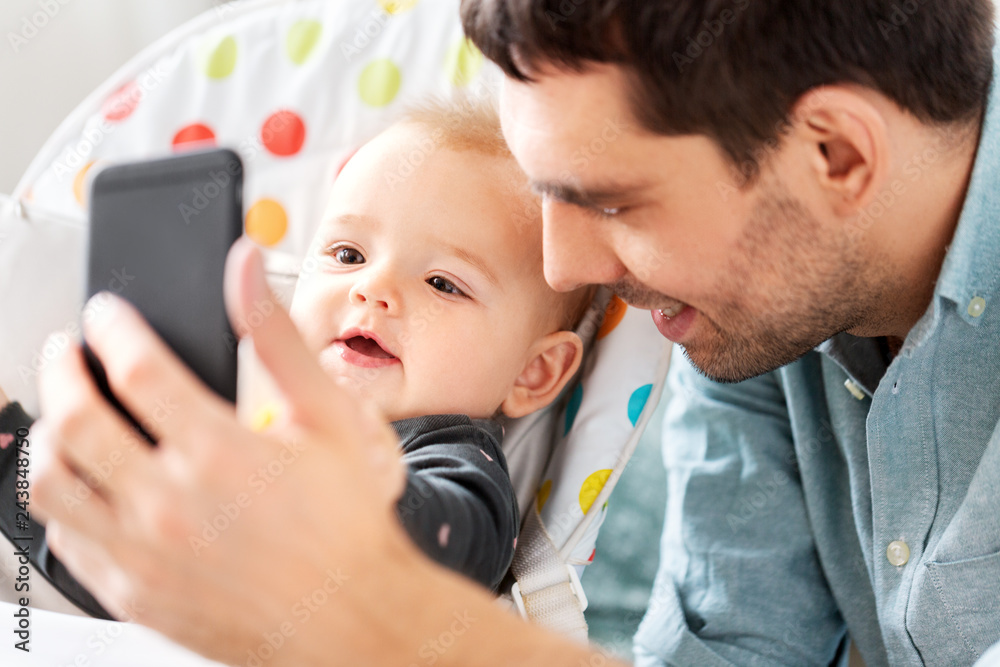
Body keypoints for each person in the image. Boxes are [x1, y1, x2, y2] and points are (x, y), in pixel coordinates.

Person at [15, 0, 1000, 665]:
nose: (568, 269)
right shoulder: (754, 322)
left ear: (834, 153)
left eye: (608, 202)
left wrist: (364, 602)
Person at [0, 98, 591, 615]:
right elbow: (107, 561)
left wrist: (316, 497)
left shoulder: (455, 462)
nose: (372, 289)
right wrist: (13, 453)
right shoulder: (240, 397)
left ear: (533, 372)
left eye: (443, 283)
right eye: (347, 253)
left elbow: (449, 553)